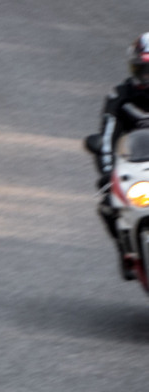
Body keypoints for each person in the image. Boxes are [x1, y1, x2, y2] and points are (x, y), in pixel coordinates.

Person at [93, 34, 149, 272]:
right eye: (146, 70)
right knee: (107, 204)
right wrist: (107, 174)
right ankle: (125, 251)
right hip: (139, 165)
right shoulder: (120, 97)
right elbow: (106, 139)